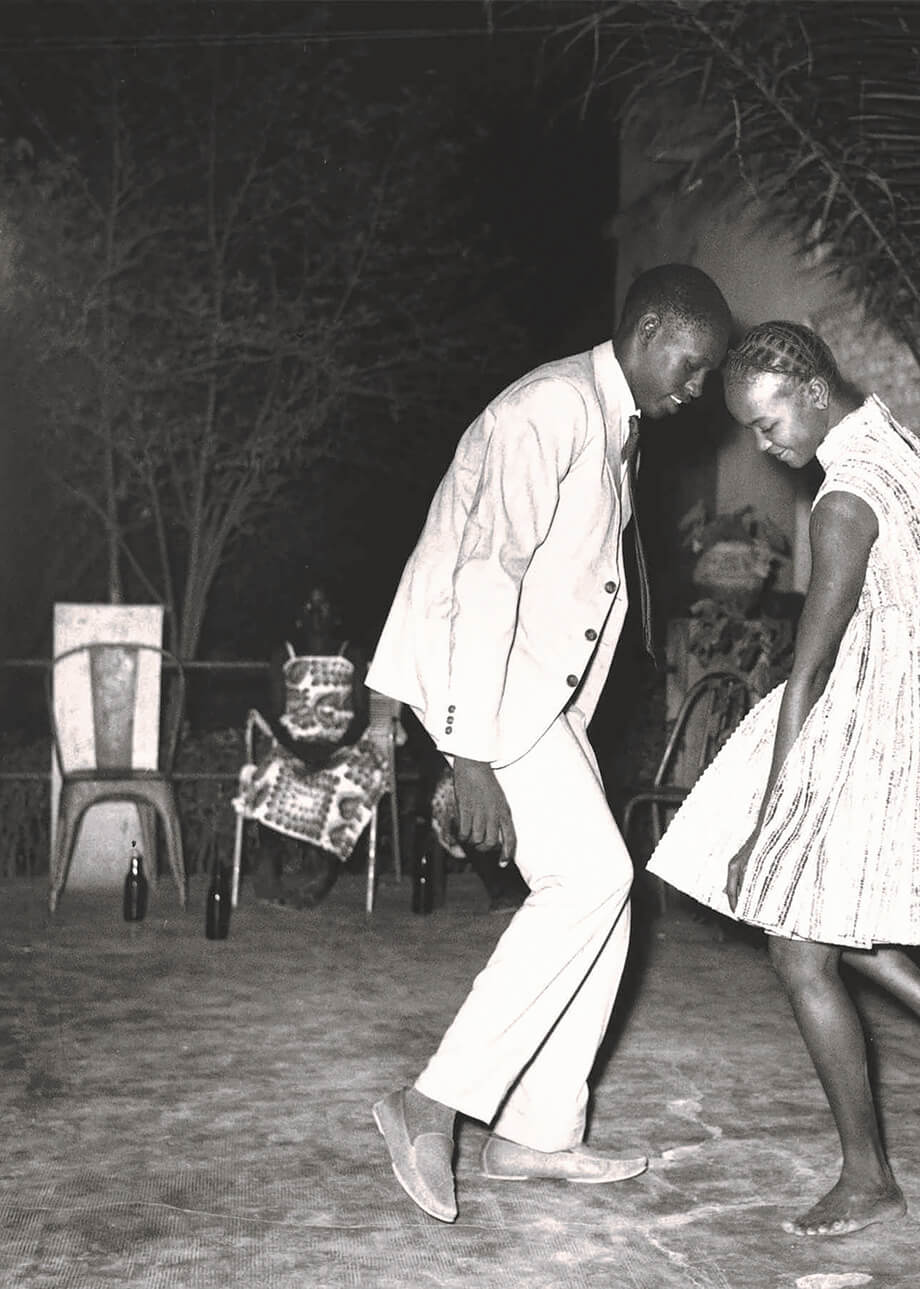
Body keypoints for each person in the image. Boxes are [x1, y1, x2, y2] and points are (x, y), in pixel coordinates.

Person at [647, 321, 920, 1239]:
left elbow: (806, 671)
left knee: (796, 944)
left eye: (768, 426)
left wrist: (767, 826)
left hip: (882, 712)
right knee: (824, 913)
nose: (766, 447)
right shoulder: (907, 442)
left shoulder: (843, 499)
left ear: (812, 392)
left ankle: (868, 1174)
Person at [366, 264, 732, 1223]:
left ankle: (537, 1133)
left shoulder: (607, 420)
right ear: (650, 330)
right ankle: (429, 1102)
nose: (695, 390)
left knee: (606, 893)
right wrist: (467, 752)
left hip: (537, 701)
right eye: (691, 366)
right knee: (596, 882)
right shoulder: (551, 408)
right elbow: (485, 575)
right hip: (491, 696)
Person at [234, 586, 388, 908]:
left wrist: (335, 747)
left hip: (344, 744)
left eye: (324, 607)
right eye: (309, 606)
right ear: (300, 617)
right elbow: (276, 713)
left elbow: (362, 715)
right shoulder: (285, 654)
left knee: (350, 778)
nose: (316, 613)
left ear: (336, 616)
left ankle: (324, 874)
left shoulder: (351, 654)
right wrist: (298, 748)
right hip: (294, 742)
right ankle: (268, 871)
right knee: (273, 771)